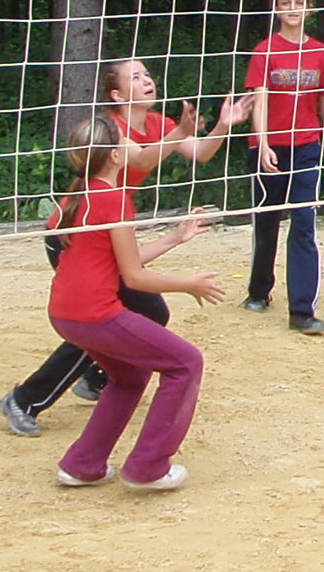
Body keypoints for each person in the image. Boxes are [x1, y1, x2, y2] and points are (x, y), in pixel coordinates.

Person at [0, 58, 249, 435]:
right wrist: (179, 132)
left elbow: (201, 152)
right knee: (97, 317)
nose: (147, 80)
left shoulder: (157, 123)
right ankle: (26, 399)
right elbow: (143, 157)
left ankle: (98, 377)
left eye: (147, 74)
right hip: (72, 232)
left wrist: (222, 125)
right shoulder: (111, 129)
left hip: (108, 224)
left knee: (146, 312)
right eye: (136, 77)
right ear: (117, 94)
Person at [44, 111, 225, 492]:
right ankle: (148, 468)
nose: (133, 142)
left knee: (130, 376)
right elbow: (134, 278)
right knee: (186, 363)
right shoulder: (113, 199)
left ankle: (82, 465)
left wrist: (174, 238)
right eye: (124, 140)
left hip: (64, 313)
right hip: (95, 314)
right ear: (114, 156)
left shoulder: (77, 195)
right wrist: (188, 285)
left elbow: (117, 259)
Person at [243, 0, 324, 332]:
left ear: (309, 9)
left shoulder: (321, 53)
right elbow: (259, 102)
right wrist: (262, 144)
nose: (292, 9)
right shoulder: (264, 51)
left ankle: (302, 311)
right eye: (285, 3)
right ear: (276, 9)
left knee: (304, 223)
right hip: (270, 148)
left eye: (298, 3)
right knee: (267, 224)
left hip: (307, 147)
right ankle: (259, 289)